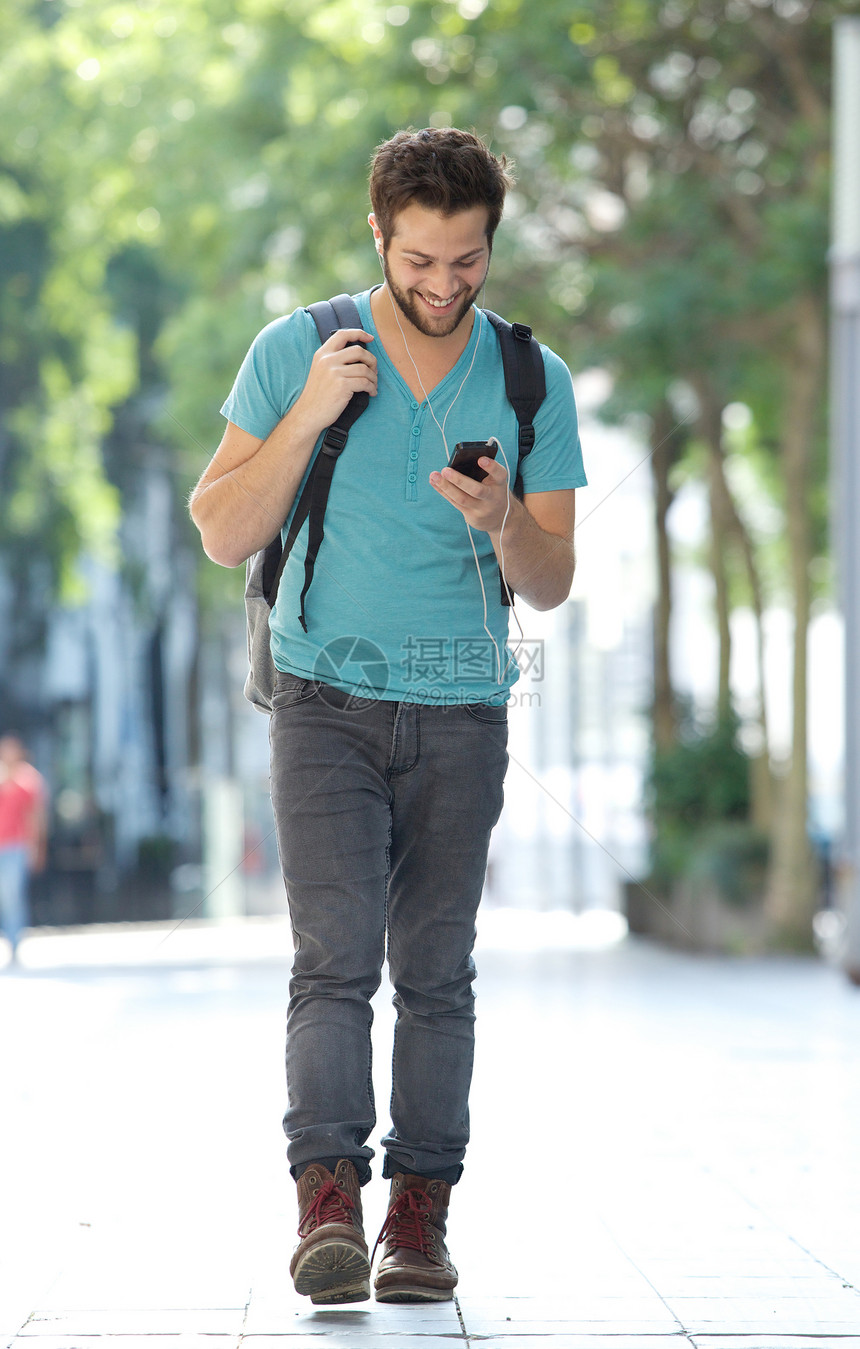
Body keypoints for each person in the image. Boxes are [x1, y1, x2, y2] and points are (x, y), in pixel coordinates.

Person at [190, 127, 587, 1306]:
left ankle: (418, 1215)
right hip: (324, 699)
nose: (442, 284)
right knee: (334, 959)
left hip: (462, 705)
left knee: (435, 968)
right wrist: (311, 411)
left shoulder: (530, 379)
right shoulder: (298, 348)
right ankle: (327, 1202)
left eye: (466, 260)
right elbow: (221, 529)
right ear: (379, 235)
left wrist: (504, 517)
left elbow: (554, 576)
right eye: (419, 259)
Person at [0, 734, 47, 963]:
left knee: (12, 897)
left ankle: (14, 943)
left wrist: (36, 847)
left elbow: (35, 817)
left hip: (16, 847)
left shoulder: (28, 779)